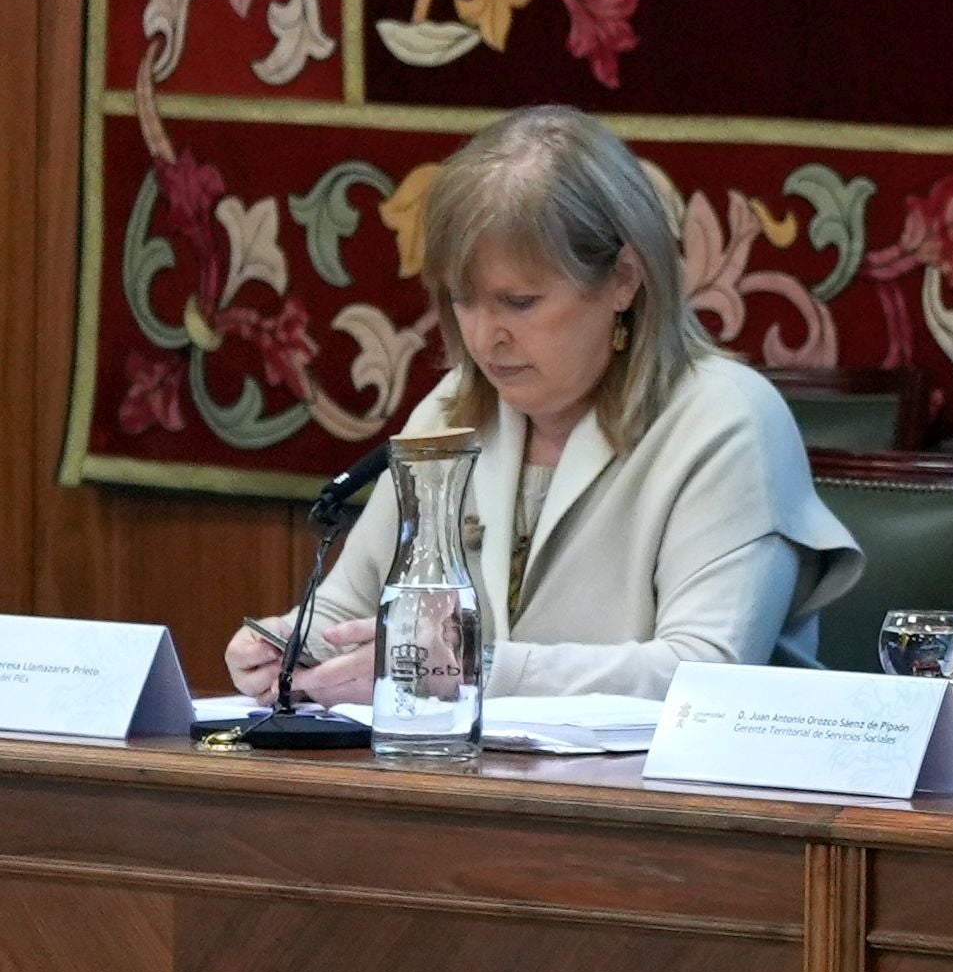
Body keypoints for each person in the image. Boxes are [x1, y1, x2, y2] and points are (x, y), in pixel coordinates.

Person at [226, 105, 860, 702]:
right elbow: (350, 611)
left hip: (685, 806)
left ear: (623, 279)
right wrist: (286, 643)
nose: (483, 336)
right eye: (462, 301)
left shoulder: (729, 421)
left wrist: (472, 665)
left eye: (519, 302)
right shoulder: (453, 412)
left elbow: (703, 674)